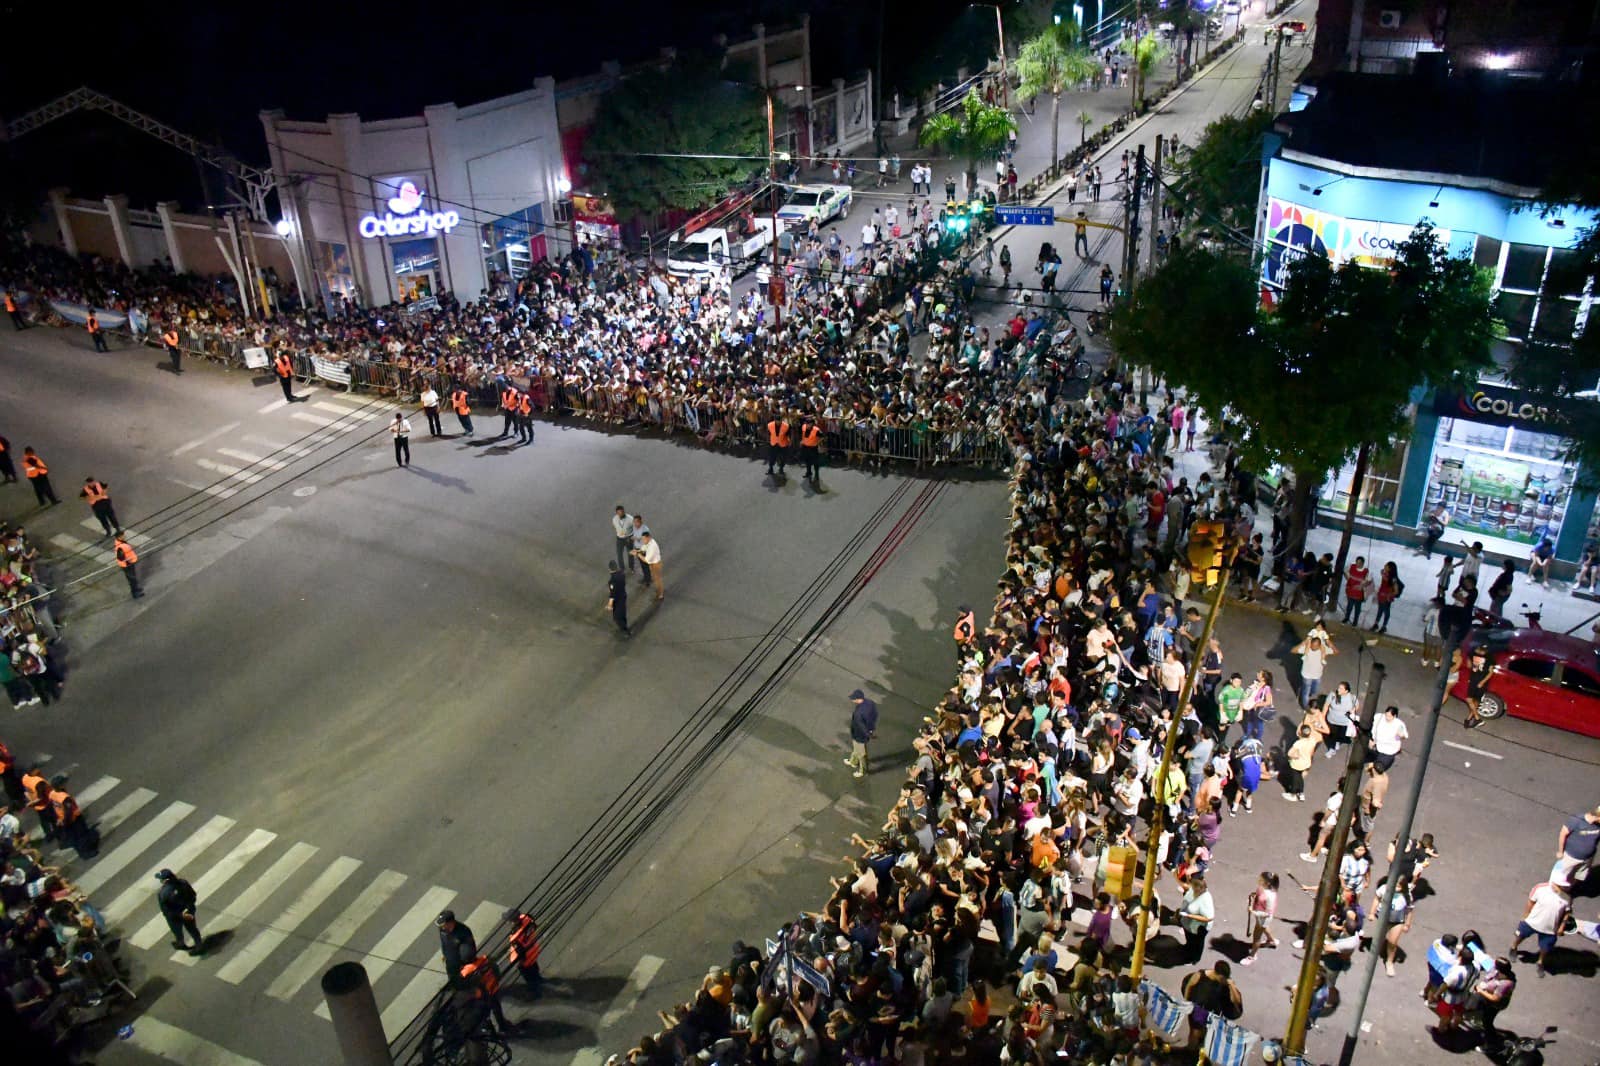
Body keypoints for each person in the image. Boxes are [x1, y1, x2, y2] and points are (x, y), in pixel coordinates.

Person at [1509, 879, 1570, 976]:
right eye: (1559, 886)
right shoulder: (1541, 888)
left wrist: (1562, 926)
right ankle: (1513, 947)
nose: (1561, 888)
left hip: (1550, 929)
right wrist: (1525, 916)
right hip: (1532, 922)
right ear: (1553, 883)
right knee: (1520, 935)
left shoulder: (1566, 897)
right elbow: (1531, 901)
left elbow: (1567, 912)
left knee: (1545, 948)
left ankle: (1540, 961)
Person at [155, 869, 204, 955]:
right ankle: (199, 946)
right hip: (188, 912)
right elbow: (193, 895)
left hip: (174, 916)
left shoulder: (163, 893)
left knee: (177, 931)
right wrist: (189, 909)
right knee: (193, 929)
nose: (160, 881)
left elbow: (165, 910)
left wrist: (174, 915)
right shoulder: (183, 883)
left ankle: (180, 943)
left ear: (166, 880)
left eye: (161, 879)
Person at [1552, 805, 1600, 888]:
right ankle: (1556, 890)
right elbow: (1562, 834)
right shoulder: (1577, 820)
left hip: (1588, 858)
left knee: (1579, 875)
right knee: (1561, 875)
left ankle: (1568, 888)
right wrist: (1560, 851)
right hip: (1571, 856)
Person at [504, 908, 544, 997]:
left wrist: (520, 963)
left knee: (529, 976)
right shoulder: (527, 919)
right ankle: (539, 979)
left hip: (526, 959)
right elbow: (534, 925)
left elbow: (520, 952)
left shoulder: (515, 937)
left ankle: (535, 992)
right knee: (535, 968)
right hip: (533, 949)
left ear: (512, 922)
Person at [1242, 872, 1280, 963]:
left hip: (1263, 918)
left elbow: (1267, 913)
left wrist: (1253, 912)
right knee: (1264, 928)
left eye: (1261, 880)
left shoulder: (1270, 896)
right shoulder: (1262, 888)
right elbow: (1258, 894)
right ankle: (1271, 940)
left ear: (1267, 883)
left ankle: (1252, 956)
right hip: (1259, 913)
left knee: (1257, 937)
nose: (1259, 880)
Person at [1178, 875, 1214, 963]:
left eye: (1193, 885)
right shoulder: (1193, 890)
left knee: (1196, 943)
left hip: (1198, 928)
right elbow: (1186, 888)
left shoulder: (1205, 899)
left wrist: (1189, 915)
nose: (1191, 886)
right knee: (1190, 940)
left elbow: (1209, 918)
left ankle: (1194, 959)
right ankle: (1187, 948)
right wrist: (1176, 875)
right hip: (1188, 924)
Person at [437, 909, 477, 985]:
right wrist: (445, 954)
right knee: (452, 980)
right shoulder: (443, 930)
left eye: (443, 924)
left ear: (451, 923)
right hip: (450, 963)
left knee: (465, 983)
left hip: (462, 965)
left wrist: (462, 965)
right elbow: (444, 943)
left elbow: (468, 953)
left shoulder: (463, 932)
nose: (441, 927)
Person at [845, 689, 878, 778]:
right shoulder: (870, 703)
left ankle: (863, 770)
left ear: (857, 699)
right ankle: (853, 761)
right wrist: (871, 728)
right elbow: (874, 714)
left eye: (853, 698)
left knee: (861, 753)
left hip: (859, 735)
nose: (852, 700)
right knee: (856, 748)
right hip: (865, 732)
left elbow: (861, 727)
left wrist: (868, 734)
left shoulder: (858, 714)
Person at [1369, 705, 1407, 771]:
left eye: (1389, 716)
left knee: (1379, 766)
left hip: (1387, 750)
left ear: (1394, 716)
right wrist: (1372, 740)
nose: (1387, 717)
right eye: (1386, 715)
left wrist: (1398, 737)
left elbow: (1398, 738)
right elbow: (1374, 729)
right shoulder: (1380, 719)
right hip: (1377, 746)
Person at [1462, 647, 1492, 730]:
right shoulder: (1472, 654)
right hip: (1473, 680)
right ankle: (1474, 719)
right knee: (1470, 700)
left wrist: (1482, 682)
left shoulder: (1490, 657)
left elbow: (1490, 672)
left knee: (1474, 701)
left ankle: (1474, 719)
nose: (1483, 653)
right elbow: (1469, 666)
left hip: (1482, 683)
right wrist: (1468, 659)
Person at [632, 530, 663, 601]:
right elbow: (644, 548)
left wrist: (638, 554)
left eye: (644, 539)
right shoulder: (649, 542)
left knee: (657, 580)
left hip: (656, 564)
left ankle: (660, 594)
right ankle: (659, 591)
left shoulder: (652, 546)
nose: (643, 541)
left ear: (648, 537)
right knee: (656, 579)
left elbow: (646, 560)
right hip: (653, 564)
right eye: (642, 539)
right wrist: (637, 551)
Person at [1341, 556, 1371, 626]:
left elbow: (1368, 581)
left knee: (1357, 608)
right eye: (1357, 562)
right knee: (1349, 606)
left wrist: (1362, 586)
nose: (1358, 564)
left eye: (1360, 563)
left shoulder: (1366, 571)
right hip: (1351, 591)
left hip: (1359, 593)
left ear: (1363, 563)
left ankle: (1355, 621)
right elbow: (1345, 571)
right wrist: (1348, 579)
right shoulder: (1351, 566)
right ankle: (1347, 617)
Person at [114, 533, 144, 599]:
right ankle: (135, 594)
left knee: (133, 578)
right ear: (119, 537)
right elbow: (120, 558)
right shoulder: (120, 547)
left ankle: (136, 589)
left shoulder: (121, 543)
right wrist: (128, 561)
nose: (124, 536)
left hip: (129, 564)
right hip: (127, 565)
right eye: (123, 535)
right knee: (132, 579)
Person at [607, 561, 631, 637]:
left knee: (616, 617)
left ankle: (625, 630)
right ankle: (625, 625)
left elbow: (612, 594)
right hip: (623, 596)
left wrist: (610, 605)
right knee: (623, 613)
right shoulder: (622, 574)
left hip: (617, 600)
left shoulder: (612, 580)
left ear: (609, 569)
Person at [799, 417, 823, 482]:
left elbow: (822, 437)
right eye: (806, 423)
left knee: (815, 462)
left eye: (809, 424)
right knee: (807, 461)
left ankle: (816, 475)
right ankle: (808, 472)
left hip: (813, 448)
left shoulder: (816, 430)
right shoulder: (803, 426)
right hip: (805, 447)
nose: (807, 425)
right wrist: (802, 441)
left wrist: (817, 443)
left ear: (812, 424)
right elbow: (803, 434)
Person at [612, 506, 635, 574]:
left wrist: (632, 536)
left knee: (630, 554)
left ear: (624, 511)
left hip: (629, 538)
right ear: (616, 513)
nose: (621, 513)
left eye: (622, 512)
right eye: (619, 512)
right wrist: (619, 532)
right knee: (619, 554)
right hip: (619, 539)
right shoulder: (614, 519)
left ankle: (631, 568)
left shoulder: (630, 518)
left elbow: (635, 527)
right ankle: (622, 569)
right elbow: (614, 525)